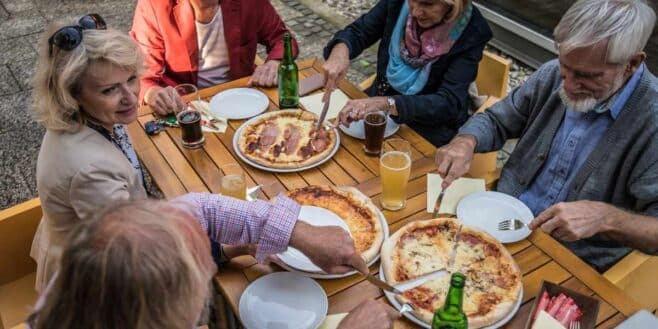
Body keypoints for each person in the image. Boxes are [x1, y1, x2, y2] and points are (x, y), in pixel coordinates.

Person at [29, 15, 249, 292]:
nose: (131, 97)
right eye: (110, 89)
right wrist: (230, 249)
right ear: (71, 95)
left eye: (132, 78)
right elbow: (139, 256)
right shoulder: (91, 171)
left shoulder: (90, 118)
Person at [434, 0, 658, 272]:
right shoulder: (552, 73)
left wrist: (607, 219)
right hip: (500, 222)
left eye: (586, 76)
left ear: (632, 63)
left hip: (570, 263)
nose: (568, 84)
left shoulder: (652, 119)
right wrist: (465, 142)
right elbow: (496, 120)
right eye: (565, 65)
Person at [26, 196, 400, 329]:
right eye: (200, 273)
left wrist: (298, 233)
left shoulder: (88, 280)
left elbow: (197, 209)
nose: (209, 268)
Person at [324, 0, 492, 146]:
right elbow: (359, 31)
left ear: (453, 4)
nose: (415, 11)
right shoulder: (399, 3)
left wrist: (388, 103)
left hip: (427, 127)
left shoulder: (473, 30)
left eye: (428, 3)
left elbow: (449, 102)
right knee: (331, 139)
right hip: (379, 107)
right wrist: (340, 51)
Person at [130, 0, 299, 115]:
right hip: (186, 106)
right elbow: (140, 74)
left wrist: (276, 62)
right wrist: (151, 93)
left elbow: (282, 38)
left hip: (242, 96)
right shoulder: (154, 5)